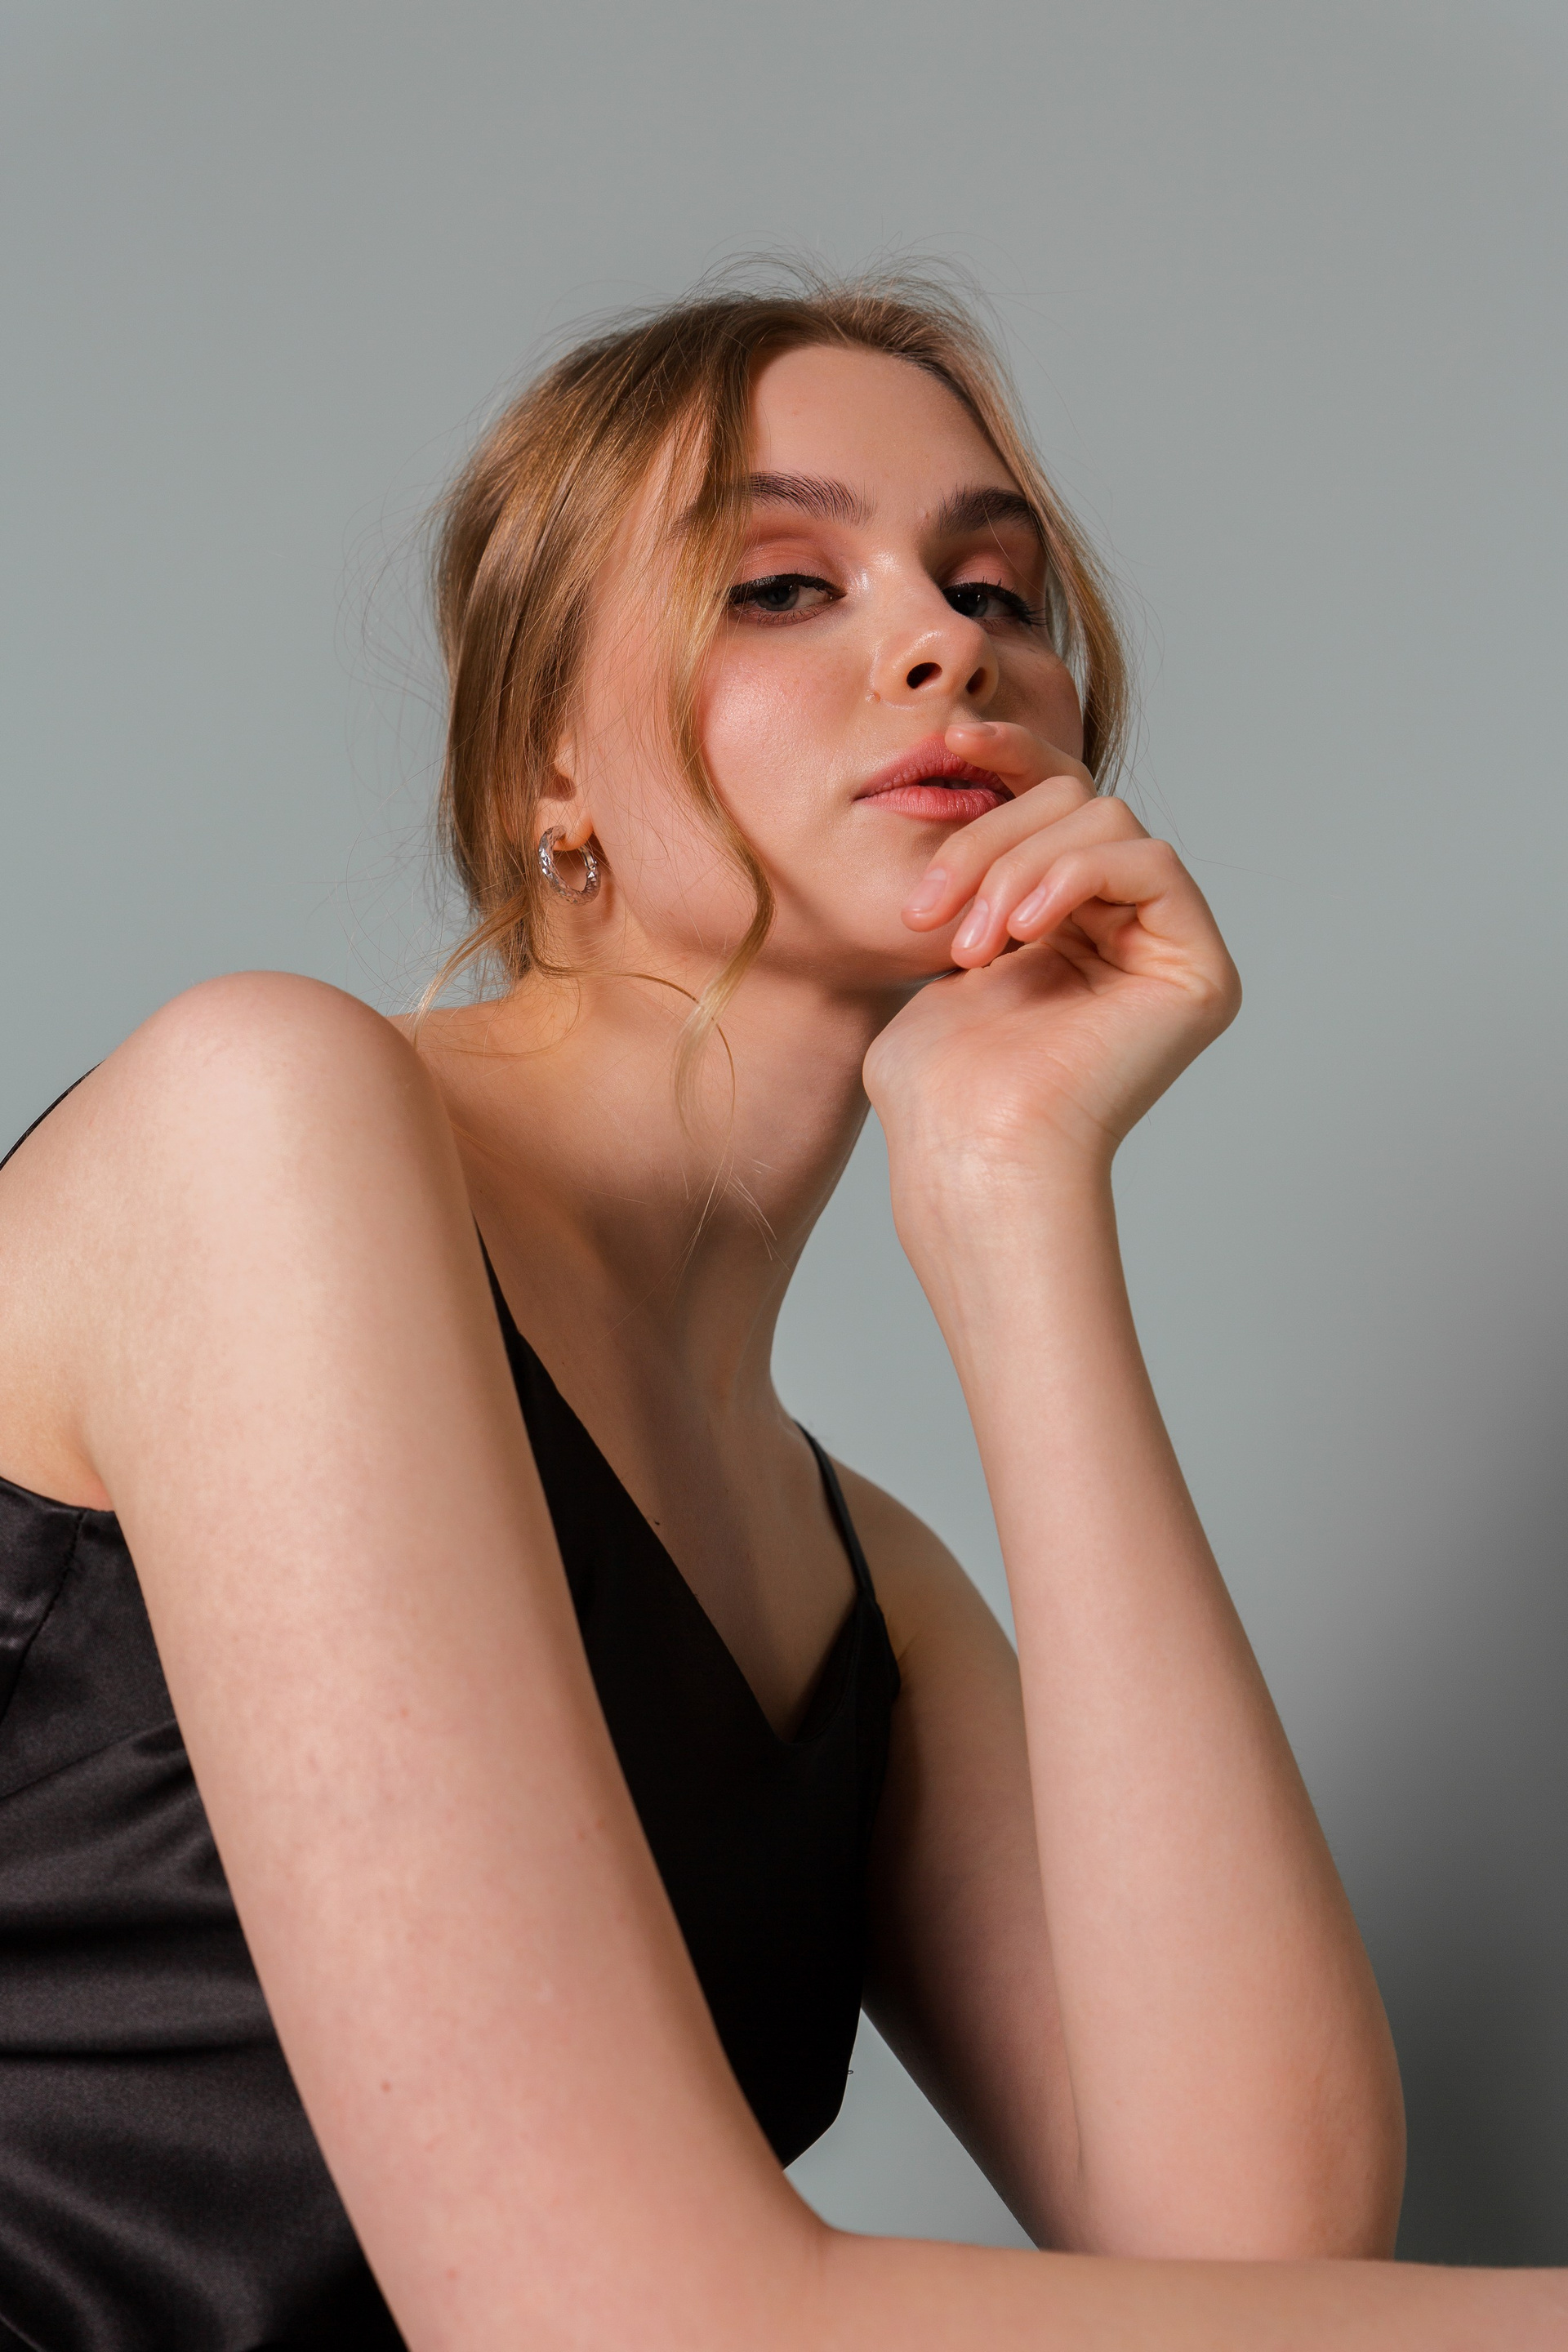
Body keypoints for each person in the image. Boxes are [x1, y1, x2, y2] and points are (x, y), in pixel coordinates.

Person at [0, 270, 1558, 2351]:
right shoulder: (254, 1116)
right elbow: (608, 2316)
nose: (945, 644)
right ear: (545, 756)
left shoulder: (858, 1592)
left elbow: (1260, 2261)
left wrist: (1017, 1200)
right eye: (781, 588)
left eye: (995, 593)